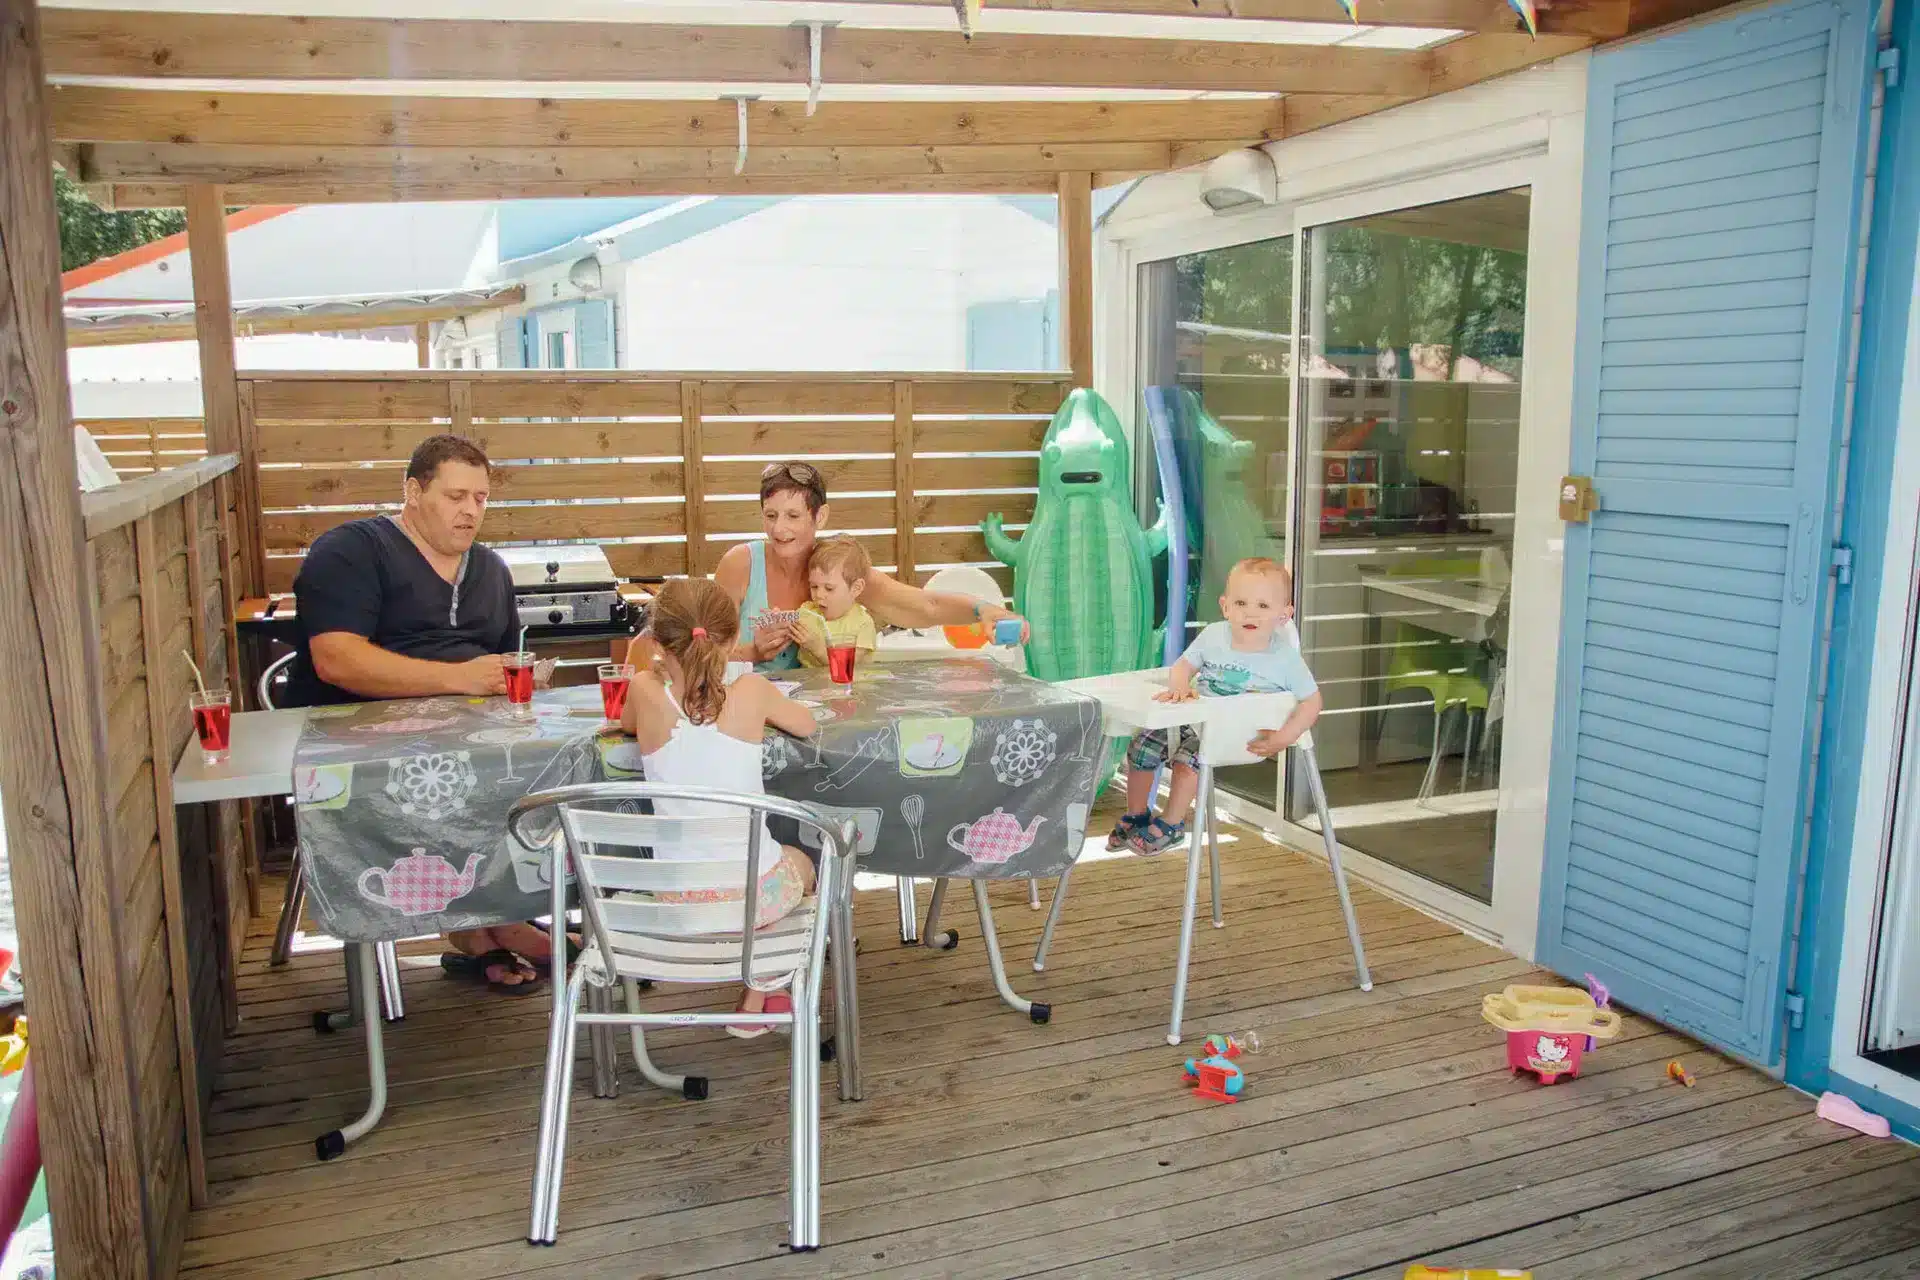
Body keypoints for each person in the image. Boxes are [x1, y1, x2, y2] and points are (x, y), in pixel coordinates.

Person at [288, 433, 564, 994]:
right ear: (414, 492)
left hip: (475, 746)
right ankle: (498, 922)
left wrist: (524, 676)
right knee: (467, 788)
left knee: (554, 773)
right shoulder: (349, 551)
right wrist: (461, 679)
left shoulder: (490, 569)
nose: (470, 511)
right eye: (455, 495)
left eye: (481, 499)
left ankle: (487, 927)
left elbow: (505, 661)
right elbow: (336, 658)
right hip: (365, 752)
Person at [619, 579, 821, 1038]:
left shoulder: (646, 690)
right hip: (752, 900)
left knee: (761, 874)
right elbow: (806, 724)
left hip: (677, 900)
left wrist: (652, 668)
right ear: (731, 641)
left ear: (657, 642)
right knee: (803, 864)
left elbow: (626, 724)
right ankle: (759, 990)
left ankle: (760, 996)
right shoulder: (751, 689)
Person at [714, 461, 1028, 671]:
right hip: (748, 715)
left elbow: (923, 606)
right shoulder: (741, 564)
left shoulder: (835, 564)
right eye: (771, 515)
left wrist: (984, 610)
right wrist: (752, 653)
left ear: (819, 517)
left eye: (793, 516)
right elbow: (697, 655)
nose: (779, 529)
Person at [1110, 557, 1324, 855]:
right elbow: (1183, 666)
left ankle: (1171, 825)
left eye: (1263, 606)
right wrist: (1180, 685)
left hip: (1231, 735)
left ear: (1284, 614)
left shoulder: (1285, 659)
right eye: (1241, 603)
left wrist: (1286, 736)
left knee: (1187, 764)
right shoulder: (1213, 636)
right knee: (1142, 746)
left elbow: (1312, 700)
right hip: (1190, 721)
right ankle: (1136, 814)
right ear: (1225, 606)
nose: (1250, 612)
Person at [794, 535, 878, 669]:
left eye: (829, 588)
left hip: (852, 688)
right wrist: (774, 621)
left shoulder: (862, 624)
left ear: (856, 588)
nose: (819, 595)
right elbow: (785, 624)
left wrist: (819, 650)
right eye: (814, 586)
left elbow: (846, 668)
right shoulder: (808, 612)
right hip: (810, 686)